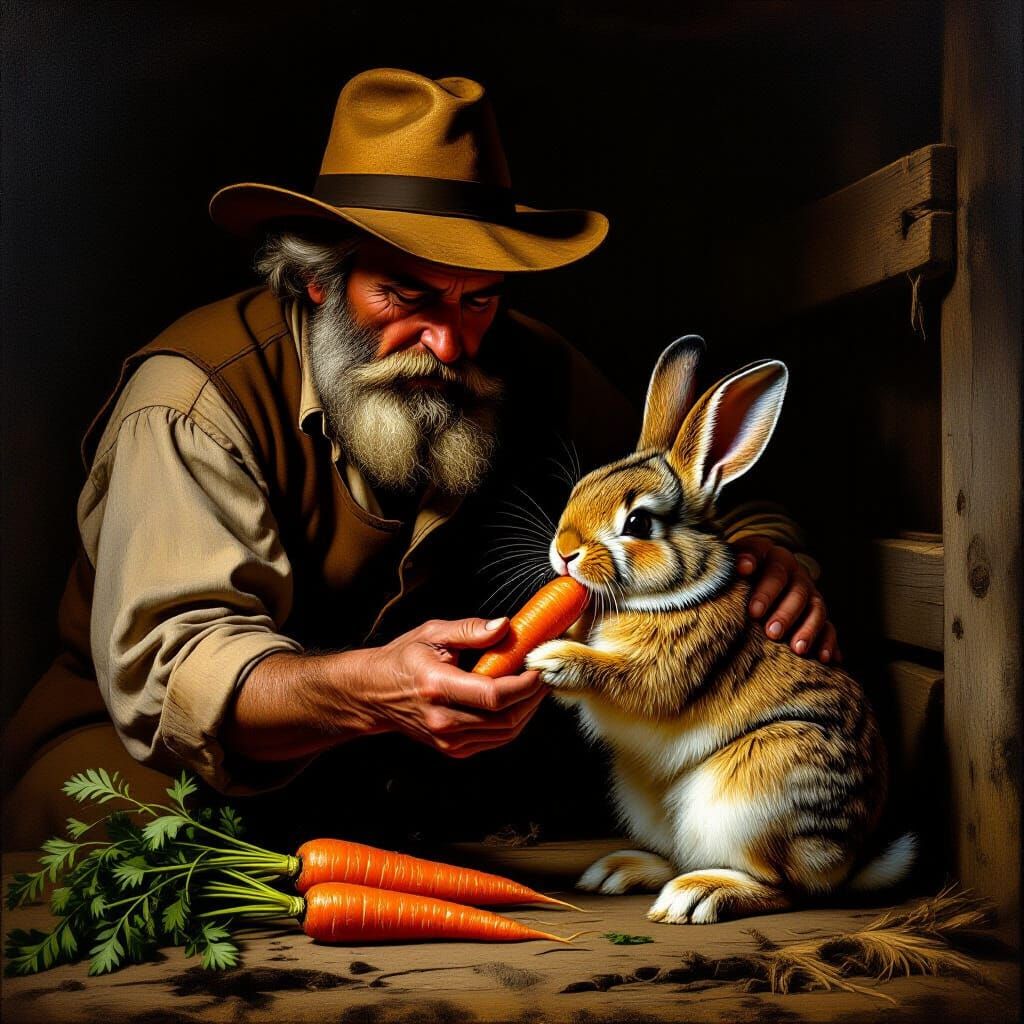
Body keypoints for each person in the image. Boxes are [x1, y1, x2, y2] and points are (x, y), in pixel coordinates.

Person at [3, 69, 837, 850]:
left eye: (478, 299)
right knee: (179, 856)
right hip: (158, 771)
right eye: (407, 296)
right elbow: (185, 670)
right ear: (322, 278)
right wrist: (368, 689)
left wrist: (768, 556)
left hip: (383, 784)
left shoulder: (520, 360)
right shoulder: (189, 404)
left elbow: (673, 484)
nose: (448, 342)